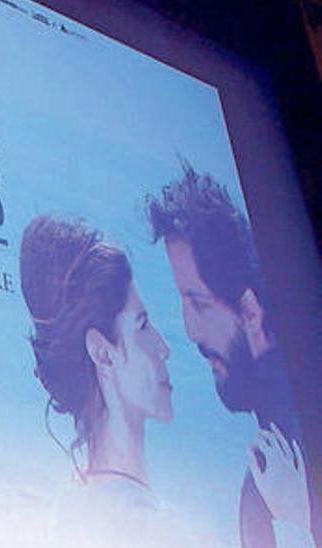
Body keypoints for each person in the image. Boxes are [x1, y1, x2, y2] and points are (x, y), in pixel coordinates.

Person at [146, 165, 317, 548]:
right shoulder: (267, 471)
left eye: (200, 304)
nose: (189, 330)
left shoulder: (278, 474)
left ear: (251, 313)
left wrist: (299, 518)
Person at [19, 215, 180, 547]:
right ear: (102, 352)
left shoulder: (70, 506)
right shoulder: (143, 525)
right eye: (143, 326)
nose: (164, 349)